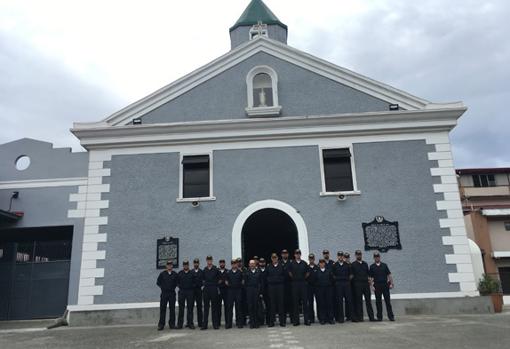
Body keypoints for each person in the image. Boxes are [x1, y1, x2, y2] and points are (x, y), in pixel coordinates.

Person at [369, 252, 395, 321]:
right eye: (375, 257)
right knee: (378, 302)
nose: (377, 258)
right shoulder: (372, 266)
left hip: (385, 285)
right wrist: (371, 286)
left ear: (379, 257)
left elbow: (389, 275)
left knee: (388, 302)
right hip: (377, 286)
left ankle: (391, 316)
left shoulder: (384, 265)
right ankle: (379, 317)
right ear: (374, 258)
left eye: (378, 256)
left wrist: (392, 283)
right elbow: (370, 278)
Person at [351, 250, 375, 322]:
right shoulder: (353, 264)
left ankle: (371, 317)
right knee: (359, 302)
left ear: (361, 255)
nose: (359, 256)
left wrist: (371, 285)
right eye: (357, 255)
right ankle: (360, 317)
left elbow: (368, 275)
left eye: (360, 254)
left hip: (366, 285)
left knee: (368, 301)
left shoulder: (365, 264)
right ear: (355, 255)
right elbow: (352, 276)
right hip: (357, 285)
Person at [288, 249, 310, 326]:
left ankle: (306, 320)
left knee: (305, 303)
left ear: (300, 254)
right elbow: (289, 272)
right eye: (296, 253)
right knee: (295, 303)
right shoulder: (291, 263)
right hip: (295, 284)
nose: (297, 255)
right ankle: (296, 321)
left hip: (303, 284)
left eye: (299, 253)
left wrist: (303, 278)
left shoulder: (304, 263)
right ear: (294, 255)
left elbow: (308, 272)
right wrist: (294, 278)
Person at [157, 261, 178, 330]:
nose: (169, 266)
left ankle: (172, 324)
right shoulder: (162, 274)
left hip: (172, 293)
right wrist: (163, 287)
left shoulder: (175, 274)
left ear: (172, 266)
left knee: (172, 309)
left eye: (170, 265)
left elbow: (177, 283)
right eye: (168, 265)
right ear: (166, 266)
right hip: (164, 294)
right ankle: (161, 325)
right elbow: (158, 283)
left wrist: (173, 287)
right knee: (163, 309)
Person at [332, 252, 353, 323]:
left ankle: (350, 316)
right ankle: (340, 318)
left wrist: (344, 279)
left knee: (349, 300)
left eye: (341, 256)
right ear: (337, 257)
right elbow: (333, 276)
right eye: (339, 256)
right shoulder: (335, 265)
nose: (340, 257)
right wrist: (342, 278)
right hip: (338, 285)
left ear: (343, 257)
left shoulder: (347, 265)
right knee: (339, 302)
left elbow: (351, 275)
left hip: (346, 284)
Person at [201, 255, 221, 330]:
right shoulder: (204, 270)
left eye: (210, 260)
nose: (209, 261)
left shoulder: (216, 269)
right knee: (206, 308)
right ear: (206, 261)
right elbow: (202, 280)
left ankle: (215, 324)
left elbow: (219, 279)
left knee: (214, 308)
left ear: (212, 260)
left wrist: (215, 285)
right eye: (208, 260)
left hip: (213, 289)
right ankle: (204, 325)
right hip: (206, 290)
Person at [266, 253, 286, 327]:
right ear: (271, 259)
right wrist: (272, 280)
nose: (274, 259)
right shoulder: (269, 266)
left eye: (275, 257)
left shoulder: (281, 266)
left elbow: (284, 276)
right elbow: (266, 276)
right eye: (273, 258)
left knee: (281, 304)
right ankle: (271, 322)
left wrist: (279, 280)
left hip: (280, 287)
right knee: (272, 305)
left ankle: (282, 322)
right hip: (271, 287)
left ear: (277, 258)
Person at [225, 259, 244, 329]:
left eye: (235, 263)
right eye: (232, 263)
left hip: (238, 291)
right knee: (229, 308)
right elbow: (226, 282)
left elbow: (242, 281)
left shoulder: (240, 272)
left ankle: (239, 323)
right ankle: (229, 324)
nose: (234, 265)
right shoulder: (228, 272)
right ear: (231, 264)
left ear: (236, 264)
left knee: (238, 307)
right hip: (230, 292)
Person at [177, 260, 195, 329]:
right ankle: (180, 324)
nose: (186, 266)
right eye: (184, 265)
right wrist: (180, 287)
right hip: (182, 292)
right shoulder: (180, 273)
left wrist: (191, 287)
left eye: (187, 264)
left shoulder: (192, 273)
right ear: (183, 265)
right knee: (181, 308)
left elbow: (194, 282)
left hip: (190, 292)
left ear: (188, 265)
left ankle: (190, 323)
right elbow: (177, 282)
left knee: (190, 308)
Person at [244, 259, 262, 328]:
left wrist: (260, 292)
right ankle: (252, 323)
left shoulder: (258, 272)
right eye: (250, 264)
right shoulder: (246, 272)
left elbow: (260, 283)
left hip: (256, 291)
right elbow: (245, 283)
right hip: (249, 291)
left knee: (256, 307)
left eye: (253, 263)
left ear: (255, 264)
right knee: (250, 307)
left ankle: (256, 323)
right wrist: (247, 291)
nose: (252, 265)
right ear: (249, 265)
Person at [315, 259, 334, 325]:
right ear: (319, 264)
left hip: (328, 289)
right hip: (320, 290)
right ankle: (322, 319)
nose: (322, 264)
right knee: (321, 304)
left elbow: (332, 279)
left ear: (324, 264)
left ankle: (330, 319)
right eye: (320, 263)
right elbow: (314, 280)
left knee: (329, 304)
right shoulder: (317, 271)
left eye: (323, 263)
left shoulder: (329, 271)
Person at [280, 249, 292, 323]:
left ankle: (292, 318)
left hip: (290, 284)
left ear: (288, 254)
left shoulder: (291, 262)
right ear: (281, 255)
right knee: (283, 302)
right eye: (283, 253)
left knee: (291, 302)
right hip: (282, 285)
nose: (285, 255)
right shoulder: (279, 263)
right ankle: (283, 319)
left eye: (286, 253)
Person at [192, 258, 204, 328]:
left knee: (199, 307)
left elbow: (203, 281)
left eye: (197, 263)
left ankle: (200, 322)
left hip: (199, 291)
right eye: (195, 263)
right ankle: (190, 322)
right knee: (190, 307)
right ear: (193, 264)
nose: (196, 264)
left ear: (199, 264)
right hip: (192, 291)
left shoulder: (201, 272)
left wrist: (201, 286)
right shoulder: (191, 272)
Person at [307, 253, 319, 323]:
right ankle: (311, 318)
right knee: (310, 303)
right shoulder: (306, 267)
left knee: (319, 302)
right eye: (310, 258)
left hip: (316, 287)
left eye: (312, 258)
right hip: (309, 287)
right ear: (309, 259)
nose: (311, 260)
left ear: (314, 259)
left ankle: (320, 317)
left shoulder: (317, 267)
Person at [258, 257, 270, 326]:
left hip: (267, 291)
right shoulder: (257, 271)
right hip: (259, 292)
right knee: (260, 308)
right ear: (259, 263)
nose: (262, 263)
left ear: (265, 263)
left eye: (263, 262)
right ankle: (261, 321)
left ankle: (269, 321)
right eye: (261, 262)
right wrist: (259, 292)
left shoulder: (268, 270)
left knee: (268, 307)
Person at [343, 252, 353, 321]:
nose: (347, 259)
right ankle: (347, 315)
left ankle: (350, 315)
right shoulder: (343, 265)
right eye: (345, 257)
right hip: (345, 285)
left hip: (352, 285)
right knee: (346, 300)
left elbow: (353, 274)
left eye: (348, 257)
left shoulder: (351, 265)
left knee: (350, 301)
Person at [218, 259, 229, 325]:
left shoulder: (227, 271)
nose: (222, 264)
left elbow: (229, 280)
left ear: (224, 264)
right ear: (219, 264)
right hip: (219, 291)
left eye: (223, 263)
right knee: (218, 307)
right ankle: (218, 323)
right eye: (221, 263)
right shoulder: (217, 271)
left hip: (226, 291)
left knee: (227, 307)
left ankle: (227, 322)